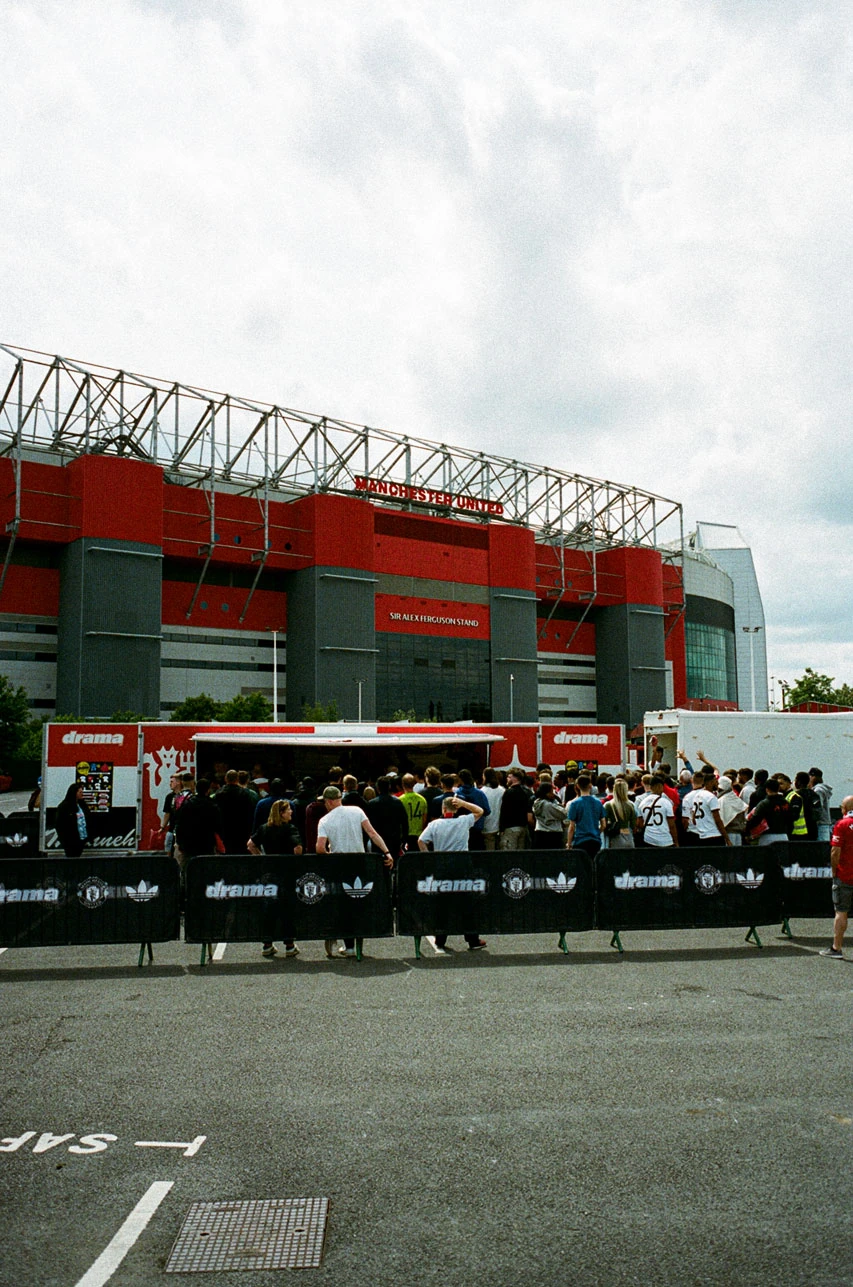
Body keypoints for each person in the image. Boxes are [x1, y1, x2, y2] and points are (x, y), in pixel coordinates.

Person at [316, 786, 393, 958]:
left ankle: (346, 942)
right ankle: (357, 945)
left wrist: (329, 852)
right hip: (360, 862)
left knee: (342, 905)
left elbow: (320, 848)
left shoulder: (324, 820)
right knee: (359, 902)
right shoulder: (357, 811)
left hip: (340, 864)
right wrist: (386, 852)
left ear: (328, 802)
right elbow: (372, 833)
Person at [418, 795, 486, 952]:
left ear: (443, 809)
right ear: (456, 808)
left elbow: (421, 841)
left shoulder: (434, 824)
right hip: (462, 865)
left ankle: (440, 939)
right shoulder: (463, 821)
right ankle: (472, 939)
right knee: (467, 903)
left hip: (441, 865)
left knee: (442, 903)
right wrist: (463, 803)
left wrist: (429, 857)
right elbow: (480, 811)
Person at [248, 799, 304, 959]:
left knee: (269, 908)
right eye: (288, 810)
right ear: (281, 813)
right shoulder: (290, 829)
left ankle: (267, 944)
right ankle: (289, 944)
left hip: (269, 872)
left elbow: (250, 844)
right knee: (287, 908)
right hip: (286, 872)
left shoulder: (264, 828)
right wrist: (295, 860)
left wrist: (261, 858)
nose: (291, 812)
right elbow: (298, 847)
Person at [821, 795, 853, 958]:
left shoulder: (842, 824)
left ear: (845, 809)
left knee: (841, 911)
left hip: (845, 874)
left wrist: (834, 871)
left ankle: (836, 947)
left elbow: (835, 851)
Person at [174, 779, 222, 867]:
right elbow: (218, 826)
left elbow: (180, 825)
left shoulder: (187, 804)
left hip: (189, 844)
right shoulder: (212, 806)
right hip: (207, 843)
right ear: (208, 790)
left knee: (188, 870)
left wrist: (180, 843)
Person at [365, 775, 409, 860]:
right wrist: (404, 840)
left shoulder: (371, 804)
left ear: (377, 788)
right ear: (389, 787)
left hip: (377, 841)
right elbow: (405, 823)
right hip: (394, 840)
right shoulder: (398, 802)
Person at [216, 769, 256, 854]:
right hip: (241, 829)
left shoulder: (219, 794)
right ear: (237, 779)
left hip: (225, 829)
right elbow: (249, 812)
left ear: (225, 779)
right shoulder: (245, 793)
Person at [566, 774, 605, 856]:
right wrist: (597, 832)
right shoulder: (598, 802)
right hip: (595, 840)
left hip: (580, 840)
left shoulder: (574, 803)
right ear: (590, 786)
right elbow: (603, 824)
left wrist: (569, 843)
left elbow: (572, 826)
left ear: (577, 786)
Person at [634, 776, 678, 848]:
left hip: (648, 839)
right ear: (662, 787)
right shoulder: (666, 802)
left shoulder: (642, 802)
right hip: (665, 839)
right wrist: (676, 841)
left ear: (650, 787)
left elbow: (640, 823)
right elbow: (672, 825)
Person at [744, 777, 790, 846]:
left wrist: (746, 829)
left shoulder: (764, 803)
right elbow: (792, 817)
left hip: (768, 836)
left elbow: (755, 820)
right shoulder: (785, 803)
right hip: (784, 836)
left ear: (767, 789)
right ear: (778, 789)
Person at [454, 768, 490, 850]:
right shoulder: (480, 793)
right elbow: (487, 811)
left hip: (462, 829)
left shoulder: (457, 794)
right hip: (477, 828)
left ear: (460, 779)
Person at [499, 768, 533, 849]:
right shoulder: (526, 792)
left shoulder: (508, 792)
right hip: (523, 827)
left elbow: (504, 811)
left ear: (515, 778)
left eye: (509, 777)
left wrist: (501, 828)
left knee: (509, 853)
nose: (507, 779)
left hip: (511, 827)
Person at [54, 782, 92, 857]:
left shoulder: (82, 805)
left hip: (82, 838)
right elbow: (59, 824)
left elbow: (88, 818)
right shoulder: (64, 806)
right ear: (74, 792)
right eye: (80, 792)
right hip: (70, 840)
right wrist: (64, 839)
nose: (82, 794)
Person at [603, 778, 636, 849]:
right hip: (629, 837)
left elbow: (604, 824)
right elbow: (633, 825)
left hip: (615, 838)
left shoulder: (608, 805)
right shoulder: (631, 805)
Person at [531, 781, 567, 848]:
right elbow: (563, 814)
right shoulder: (548, 805)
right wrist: (556, 802)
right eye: (551, 792)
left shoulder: (537, 803)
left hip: (540, 831)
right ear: (546, 793)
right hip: (553, 834)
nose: (553, 794)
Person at [716, 776, 748, 845]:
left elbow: (720, 820)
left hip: (728, 833)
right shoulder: (736, 799)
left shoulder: (722, 801)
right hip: (738, 833)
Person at [399, 773, 427, 851]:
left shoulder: (400, 800)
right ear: (414, 784)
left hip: (405, 834)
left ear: (402, 784)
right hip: (418, 834)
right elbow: (424, 818)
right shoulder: (422, 799)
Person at [480, 768, 504, 850]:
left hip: (487, 824)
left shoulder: (482, 791)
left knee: (489, 848)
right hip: (499, 823)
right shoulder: (502, 790)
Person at [809, 768, 833, 843]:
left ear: (813, 777)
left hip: (821, 823)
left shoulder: (818, 790)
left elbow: (818, 807)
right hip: (824, 823)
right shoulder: (822, 789)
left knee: (822, 848)